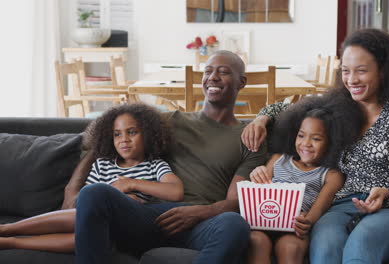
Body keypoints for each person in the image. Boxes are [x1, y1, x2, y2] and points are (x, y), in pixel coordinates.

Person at [241, 28, 389, 264]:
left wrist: (387, 194)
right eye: (346, 71)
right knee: (326, 248)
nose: (351, 80)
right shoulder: (336, 106)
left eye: (361, 71)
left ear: (383, 71)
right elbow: (282, 109)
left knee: (361, 245)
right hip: (340, 206)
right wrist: (260, 120)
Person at [64, 50, 267, 264]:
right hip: (148, 216)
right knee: (95, 193)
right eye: (208, 71)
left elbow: (235, 201)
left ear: (241, 82)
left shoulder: (249, 138)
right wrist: (72, 191)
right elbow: (100, 144)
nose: (213, 77)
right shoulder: (171, 121)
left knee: (234, 224)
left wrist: (199, 213)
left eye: (223, 72)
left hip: (201, 222)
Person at [0, 103, 183, 253]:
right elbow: (83, 201)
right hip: (94, 217)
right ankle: (8, 232)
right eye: (117, 134)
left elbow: (175, 192)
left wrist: (131, 184)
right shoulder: (103, 164)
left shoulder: (154, 165)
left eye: (132, 132)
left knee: (89, 233)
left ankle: (13, 240)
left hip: (123, 225)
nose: (124, 139)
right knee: (85, 223)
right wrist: (111, 197)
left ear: (149, 135)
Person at [247, 95, 363, 264]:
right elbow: (259, 191)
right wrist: (257, 173)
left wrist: (306, 222)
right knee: (256, 241)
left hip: (294, 228)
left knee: (290, 247)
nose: (306, 143)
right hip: (264, 222)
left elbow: (317, 210)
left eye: (316, 139)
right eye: (301, 136)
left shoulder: (331, 175)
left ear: (331, 143)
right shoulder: (278, 159)